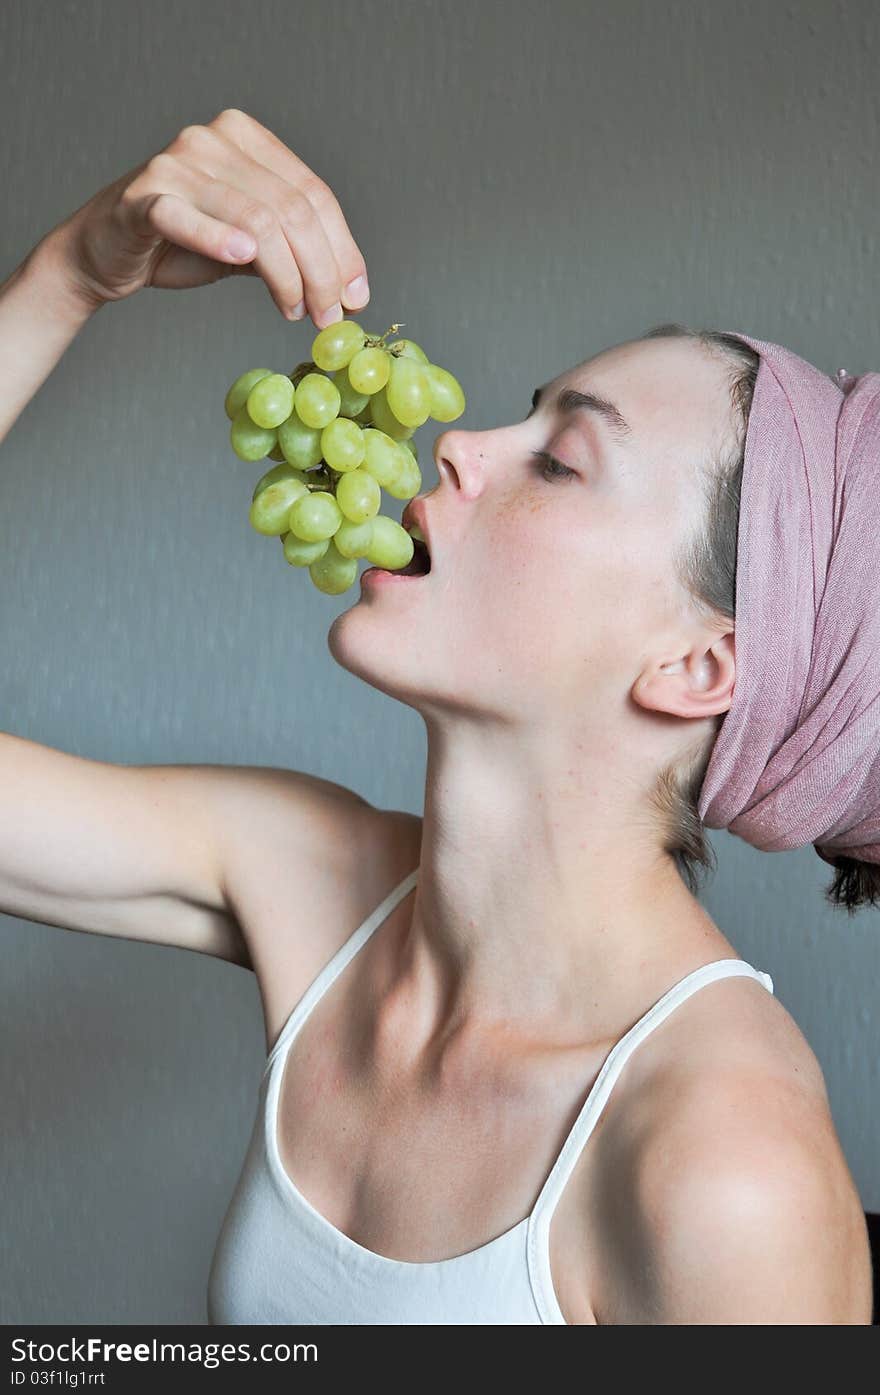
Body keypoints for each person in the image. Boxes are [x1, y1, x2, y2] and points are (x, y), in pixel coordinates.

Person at [0, 108, 873, 1326]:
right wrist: (72, 274)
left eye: (559, 460)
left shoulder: (725, 1164)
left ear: (696, 664)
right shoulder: (311, 877)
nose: (457, 443)